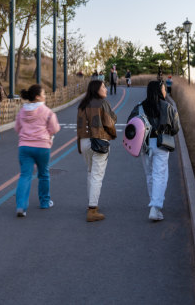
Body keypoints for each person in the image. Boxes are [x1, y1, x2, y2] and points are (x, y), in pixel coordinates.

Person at [127, 80, 181, 221]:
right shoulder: (168, 107)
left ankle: (154, 203)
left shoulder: (140, 107)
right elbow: (176, 128)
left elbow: (130, 124)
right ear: (158, 90)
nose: (165, 91)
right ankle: (155, 207)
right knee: (160, 175)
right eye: (163, 89)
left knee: (150, 175)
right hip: (162, 144)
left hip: (145, 145)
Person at [14, 84, 61, 217]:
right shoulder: (46, 111)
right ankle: (45, 202)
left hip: (24, 147)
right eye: (43, 94)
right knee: (44, 174)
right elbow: (55, 128)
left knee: (25, 175)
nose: (45, 96)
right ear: (37, 96)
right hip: (42, 147)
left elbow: (17, 128)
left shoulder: (22, 111)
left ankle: (21, 206)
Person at [76, 80, 117, 222]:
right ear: (97, 90)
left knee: (90, 172)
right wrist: (113, 133)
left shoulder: (82, 104)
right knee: (97, 175)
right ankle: (92, 209)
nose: (106, 89)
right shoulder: (102, 103)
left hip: (84, 141)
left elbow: (79, 125)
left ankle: (91, 204)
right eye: (103, 87)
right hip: (99, 141)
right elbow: (109, 123)